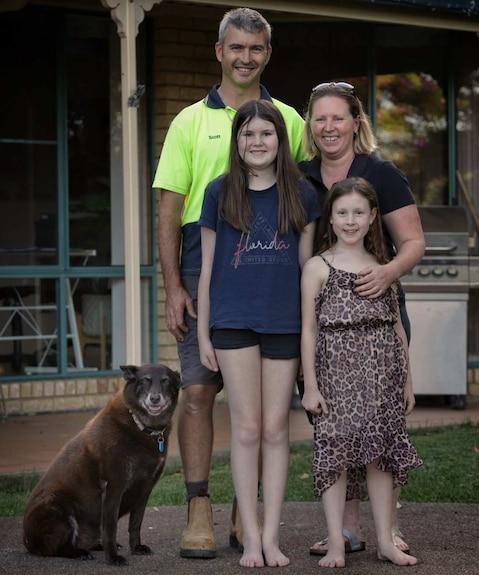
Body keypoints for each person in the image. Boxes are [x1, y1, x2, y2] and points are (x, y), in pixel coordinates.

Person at [153, 7, 306, 559]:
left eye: (256, 48)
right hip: (203, 262)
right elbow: (169, 209)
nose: (246, 57)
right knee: (196, 390)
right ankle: (199, 507)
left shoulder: (289, 118)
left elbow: (309, 193)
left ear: (268, 53)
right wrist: (174, 285)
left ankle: (250, 510)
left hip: (270, 267)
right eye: (236, 47)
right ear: (219, 51)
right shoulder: (189, 121)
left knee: (267, 407)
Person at [299, 81, 426, 557]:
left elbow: (413, 241)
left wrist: (388, 273)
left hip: (377, 316)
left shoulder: (382, 173)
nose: (329, 127)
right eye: (320, 118)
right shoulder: (302, 175)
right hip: (325, 324)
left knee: (381, 431)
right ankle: (346, 531)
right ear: (311, 126)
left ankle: (386, 530)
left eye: (338, 118)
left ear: (356, 123)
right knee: (336, 431)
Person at [197, 99, 318, 568]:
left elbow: (308, 272)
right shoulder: (219, 191)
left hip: (284, 322)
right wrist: (205, 335)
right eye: (248, 134)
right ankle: (248, 537)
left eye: (266, 134)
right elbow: (207, 270)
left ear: (280, 141)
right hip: (232, 322)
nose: (258, 142)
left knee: (275, 429)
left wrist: (311, 335)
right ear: (238, 141)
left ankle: (270, 535)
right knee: (246, 430)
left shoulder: (302, 194)